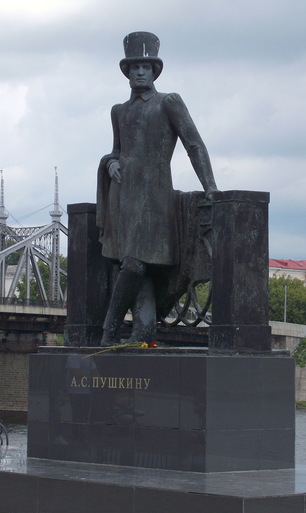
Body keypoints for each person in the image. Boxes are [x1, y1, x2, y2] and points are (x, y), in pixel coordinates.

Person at [96, 31, 218, 346]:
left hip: (155, 199)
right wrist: (110, 163)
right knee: (136, 267)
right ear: (127, 72)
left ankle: (108, 331)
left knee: (135, 264)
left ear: (154, 72)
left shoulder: (169, 102)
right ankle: (143, 333)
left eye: (145, 67)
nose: (139, 72)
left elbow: (194, 144)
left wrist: (210, 188)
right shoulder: (119, 111)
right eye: (134, 67)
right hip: (123, 198)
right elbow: (117, 150)